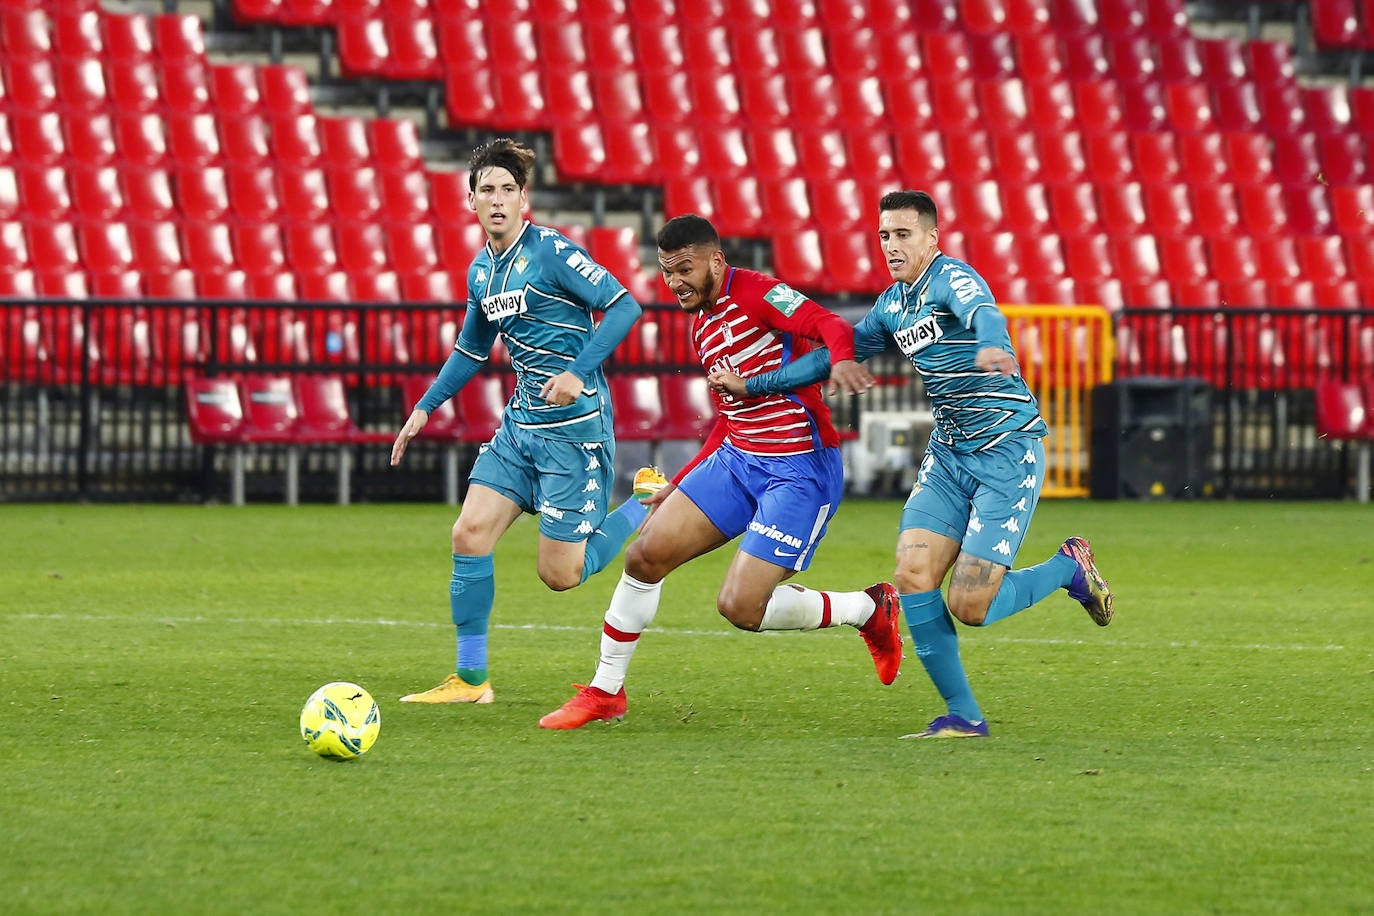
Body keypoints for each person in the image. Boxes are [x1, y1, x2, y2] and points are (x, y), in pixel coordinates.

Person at [713, 190, 1115, 739]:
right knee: (911, 576)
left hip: (1005, 451)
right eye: (884, 236)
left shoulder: (954, 279)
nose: (892, 246)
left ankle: (1068, 568)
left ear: (932, 236)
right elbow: (837, 353)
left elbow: (985, 312)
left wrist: (994, 346)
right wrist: (755, 384)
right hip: (949, 456)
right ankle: (965, 716)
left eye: (903, 235)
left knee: (971, 605)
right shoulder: (893, 306)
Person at [538, 214, 905, 730]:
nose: (675, 282)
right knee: (644, 555)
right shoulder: (702, 325)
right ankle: (605, 691)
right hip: (738, 460)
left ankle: (868, 610)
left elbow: (828, 324)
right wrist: (682, 481)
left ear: (716, 259)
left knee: (740, 607)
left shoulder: (757, 293)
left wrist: (841, 358)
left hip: (798, 470)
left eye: (684, 268)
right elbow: (728, 419)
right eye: (667, 272)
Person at [390, 138, 659, 705]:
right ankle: (470, 680)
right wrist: (424, 407)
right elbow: (470, 350)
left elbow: (626, 305)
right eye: (486, 190)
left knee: (560, 575)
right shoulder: (481, 273)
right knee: (468, 533)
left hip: (573, 434)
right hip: (520, 428)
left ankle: (643, 504)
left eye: (507, 190)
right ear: (470, 201)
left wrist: (580, 373)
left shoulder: (552, 253)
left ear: (522, 199)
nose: (497, 199)